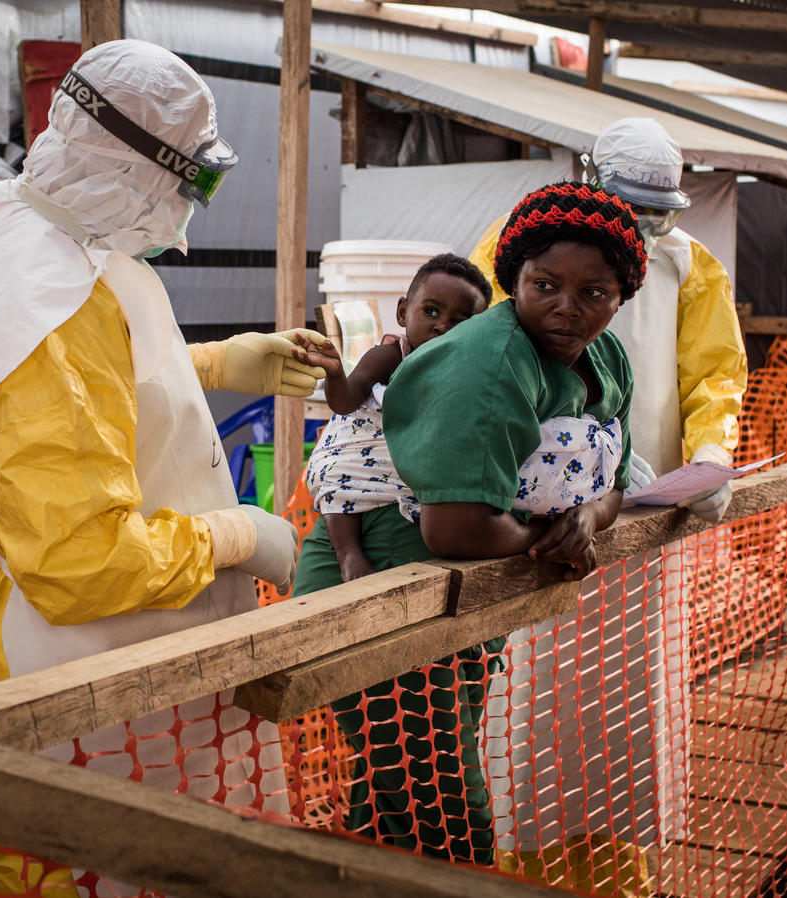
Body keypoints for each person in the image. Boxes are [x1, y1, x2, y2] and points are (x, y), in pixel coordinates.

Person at [0, 39, 327, 891]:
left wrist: (215, 362)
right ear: (135, 169)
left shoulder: (23, 220)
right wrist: (238, 533)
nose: (191, 204)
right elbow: (82, 561)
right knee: (100, 868)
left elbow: (91, 392)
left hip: (118, 643)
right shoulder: (45, 293)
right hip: (80, 662)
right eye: (193, 181)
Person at [292, 181, 647, 865]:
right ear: (513, 279)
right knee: (434, 788)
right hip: (389, 570)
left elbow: (615, 483)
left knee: (404, 777)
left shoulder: (605, 359)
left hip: (473, 582)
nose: (565, 308)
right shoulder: (485, 366)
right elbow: (451, 531)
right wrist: (549, 540)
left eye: (593, 293)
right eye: (544, 284)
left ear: (620, 295)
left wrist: (585, 519)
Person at [470, 118, 747, 522]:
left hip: (655, 500)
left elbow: (714, 375)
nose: (641, 226)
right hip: (534, 494)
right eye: (632, 208)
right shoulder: (523, 239)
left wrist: (711, 454)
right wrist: (592, 448)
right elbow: (487, 358)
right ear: (591, 178)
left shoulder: (688, 265)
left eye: (659, 215)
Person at [299, 254, 491, 583]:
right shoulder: (389, 356)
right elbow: (345, 402)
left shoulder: (471, 376)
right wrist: (334, 374)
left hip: (408, 505)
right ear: (403, 312)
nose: (442, 325)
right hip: (354, 462)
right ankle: (348, 554)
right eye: (431, 311)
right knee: (340, 480)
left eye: (460, 322)